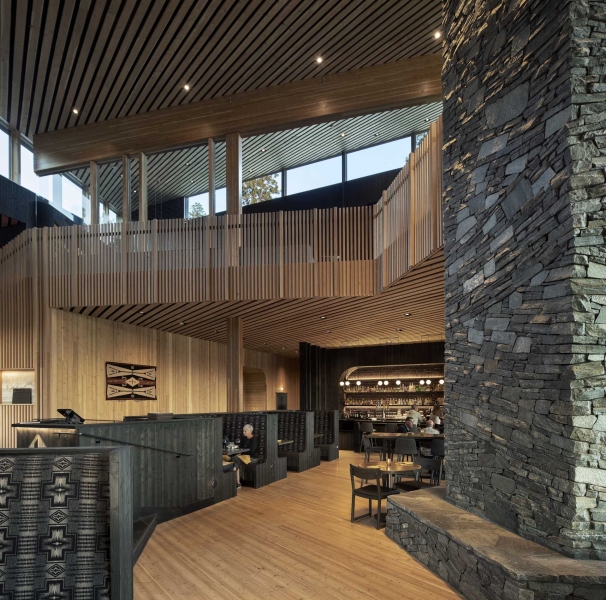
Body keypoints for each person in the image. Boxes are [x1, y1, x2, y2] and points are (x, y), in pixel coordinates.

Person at [232, 424, 260, 489]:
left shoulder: (254, 439)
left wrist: (241, 453)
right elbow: (240, 447)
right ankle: (237, 483)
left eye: (245, 431)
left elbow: (252, 451)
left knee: (235, 459)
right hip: (244, 456)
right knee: (235, 459)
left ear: (250, 431)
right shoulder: (244, 438)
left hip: (253, 458)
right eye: (243, 431)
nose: (243, 432)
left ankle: (237, 482)